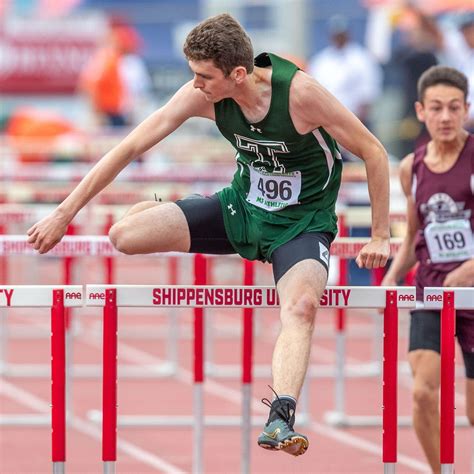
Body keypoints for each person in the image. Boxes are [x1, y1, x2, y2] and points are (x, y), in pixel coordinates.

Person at [27, 14, 390, 457]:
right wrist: (64, 214)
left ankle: (280, 416)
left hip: (302, 222)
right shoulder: (203, 95)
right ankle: (183, 206)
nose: (195, 85)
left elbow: (373, 150)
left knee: (301, 305)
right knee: (123, 236)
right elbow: (129, 147)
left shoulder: (301, 94)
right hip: (240, 209)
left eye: (204, 76)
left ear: (238, 74)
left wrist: (379, 233)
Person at [381, 66, 474, 472]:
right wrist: (390, 277)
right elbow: (415, 237)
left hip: (473, 294)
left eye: (454, 108)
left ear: (466, 110)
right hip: (432, 291)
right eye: (436, 108)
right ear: (421, 111)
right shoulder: (410, 168)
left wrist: (469, 268)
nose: (445, 117)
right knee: (422, 394)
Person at [307, 15, 382, 129]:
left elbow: (369, 91)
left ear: (347, 34)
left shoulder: (361, 58)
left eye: (341, 34)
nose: (338, 38)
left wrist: (359, 121)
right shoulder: (321, 60)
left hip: (355, 119)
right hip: (326, 120)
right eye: (336, 35)